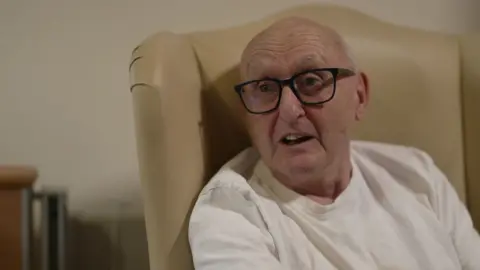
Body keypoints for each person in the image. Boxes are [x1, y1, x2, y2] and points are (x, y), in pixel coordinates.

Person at [188, 17, 480, 270]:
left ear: (359, 96)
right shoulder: (232, 210)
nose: (289, 110)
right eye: (265, 88)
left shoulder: (417, 173)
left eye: (312, 81)